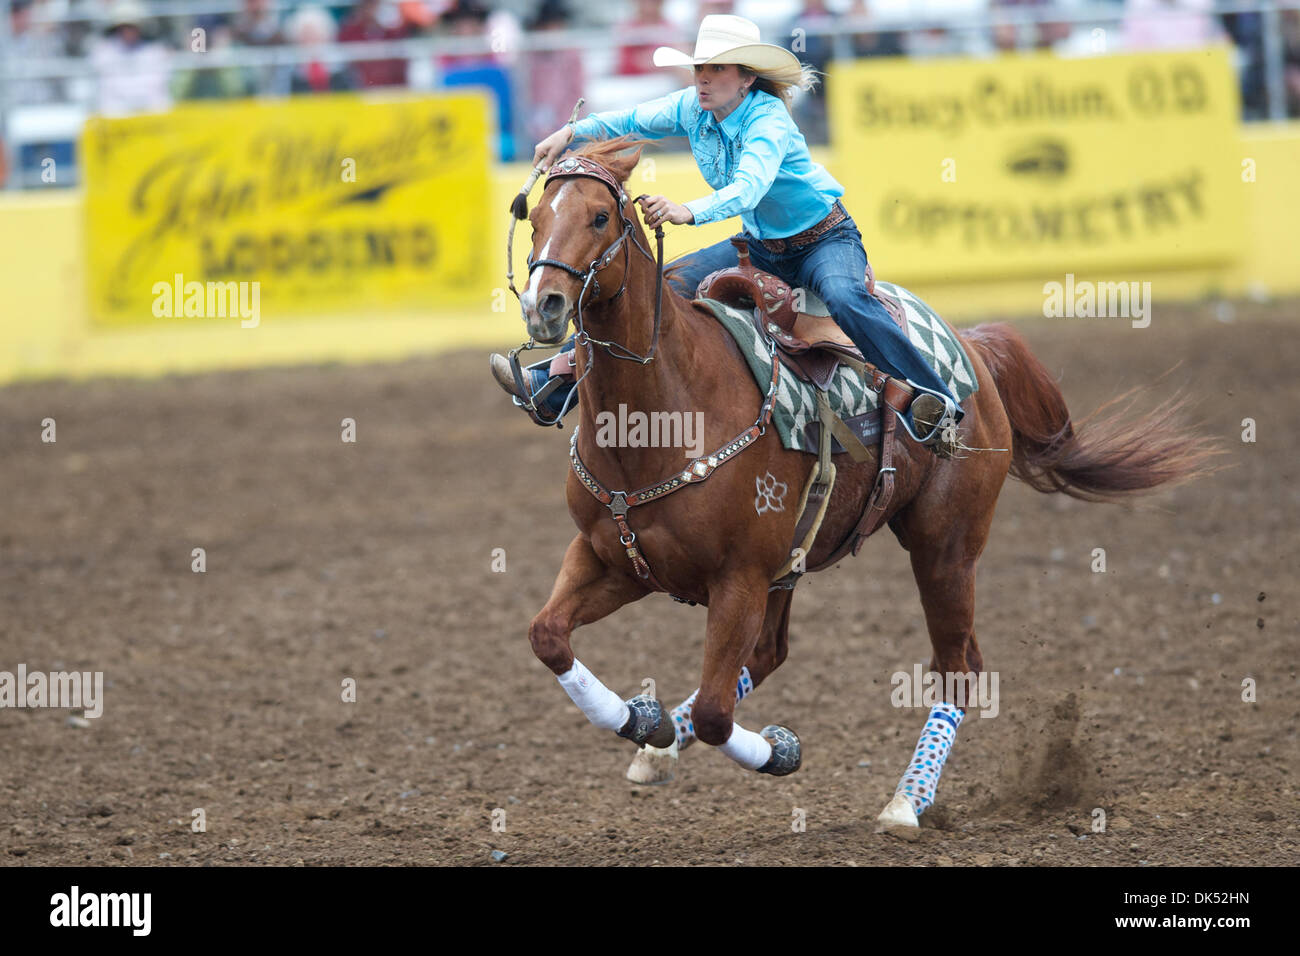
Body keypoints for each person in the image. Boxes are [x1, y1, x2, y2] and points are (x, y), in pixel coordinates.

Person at [488, 14, 964, 455]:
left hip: (823, 240)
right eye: (699, 68)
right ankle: (556, 381)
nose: (702, 78)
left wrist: (685, 211)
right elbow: (628, 120)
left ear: (747, 78)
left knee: (843, 296)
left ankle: (933, 399)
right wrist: (568, 133)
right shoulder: (692, 108)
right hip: (760, 247)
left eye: (716, 69)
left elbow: (749, 188)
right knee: (658, 289)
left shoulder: (768, 120)